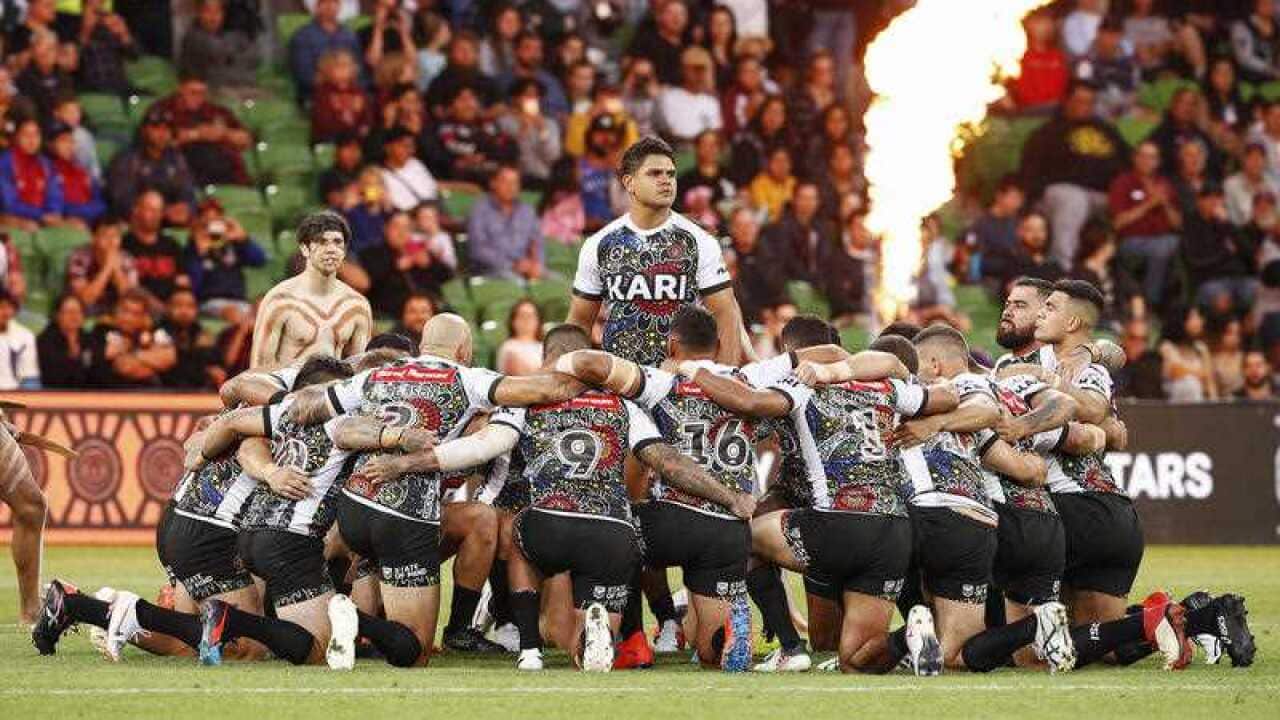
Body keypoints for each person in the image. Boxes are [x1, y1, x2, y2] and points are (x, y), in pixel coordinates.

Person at [371, 324, 755, 672]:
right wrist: (729, 497)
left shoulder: (526, 399)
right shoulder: (623, 405)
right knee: (590, 644)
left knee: (517, 531)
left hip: (549, 524)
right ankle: (628, 636)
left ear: (548, 357)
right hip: (612, 532)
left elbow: (485, 446)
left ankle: (528, 647)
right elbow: (667, 461)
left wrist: (409, 463)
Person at [567, 136, 746, 366]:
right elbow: (579, 323)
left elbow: (726, 315)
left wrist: (725, 375)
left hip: (684, 377)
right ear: (629, 182)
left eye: (670, 174)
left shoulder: (700, 241)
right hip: (622, 379)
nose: (666, 180)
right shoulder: (599, 244)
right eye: (654, 173)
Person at [1020, 82, 1128, 270]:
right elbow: (1030, 171)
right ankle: (1061, 269)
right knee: (1074, 199)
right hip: (1060, 193)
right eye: (1080, 101)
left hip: (1101, 195)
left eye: (1090, 102)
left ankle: (1113, 275)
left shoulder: (1106, 131)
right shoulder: (1048, 132)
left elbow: (1128, 161)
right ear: (1067, 101)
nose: (1085, 107)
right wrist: (1031, 202)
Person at [252, 211, 372, 369]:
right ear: (305, 249)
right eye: (322, 242)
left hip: (334, 384)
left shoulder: (358, 306)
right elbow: (258, 371)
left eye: (337, 242)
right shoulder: (279, 301)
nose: (331, 249)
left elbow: (359, 375)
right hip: (289, 384)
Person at [1107, 142, 1182, 309]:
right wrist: (1148, 204)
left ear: (1158, 161)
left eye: (1152, 157)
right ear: (1135, 158)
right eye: (1143, 156)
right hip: (1132, 241)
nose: (1148, 161)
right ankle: (1150, 304)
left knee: (1178, 245)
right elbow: (1117, 223)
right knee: (1161, 249)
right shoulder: (1123, 182)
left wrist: (1165, 203)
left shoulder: (1164, 184)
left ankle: (1183, 306)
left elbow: (1178, 224)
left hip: (1166, 239)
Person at [150, 73, 254, 186]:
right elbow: (153, 143)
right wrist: (197, 134)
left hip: (226, 171)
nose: (198, 97)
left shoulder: (215, 111)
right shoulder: (163, 109)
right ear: (181, 89)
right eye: (193, 92)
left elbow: (246, 140)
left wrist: (224, 134)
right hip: (182, 170)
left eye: (202, 93)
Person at [105, 107, 198, 225]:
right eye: (156, 128)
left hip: (171, 220)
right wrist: (159, 212)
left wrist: (186, 208)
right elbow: (122, 200)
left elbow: (188, 191)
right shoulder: (127, 159)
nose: (162, 133)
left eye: (167, 129)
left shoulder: (176, 158)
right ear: (144, 130)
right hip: (136, 222)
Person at [1183, 185, 1258, 319]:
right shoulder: (1191, 226)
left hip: (1239, 277)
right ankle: (1224, 330)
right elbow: (1195, 262)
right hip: (1210, 280)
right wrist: (1225, 253)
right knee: (1222, 300)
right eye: (1209, 198)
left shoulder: (1226, 224)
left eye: (1218, 197)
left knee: (1261, 293)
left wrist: (1228, 224)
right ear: (1199, 201)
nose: (1214, 202)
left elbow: (1249, 252)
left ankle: (1249, 331)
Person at [359, 211, 453, 317]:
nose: (402, 232)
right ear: (386, 229)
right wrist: (396, 267)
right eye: (396, 227)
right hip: (391, 313)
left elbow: (448, 276)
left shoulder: (418, 249)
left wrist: (430, 264)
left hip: (429, 310)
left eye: (407, 228)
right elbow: (370, 284)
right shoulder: (371, 253)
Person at [182, 208, 267, 323]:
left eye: (216, 220)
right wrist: (200, 254)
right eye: (207, 222)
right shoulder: (192, 250)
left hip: (239, 301)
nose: (212, 227)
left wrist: (243, 238)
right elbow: (194, 286)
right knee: (232, 312)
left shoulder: (232, 246)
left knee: (263, 307)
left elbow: (260, 260)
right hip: (210, 302)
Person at [423, 86, 516, 186]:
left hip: (493, 173)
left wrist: (484, 156)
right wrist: (457, 162)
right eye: (462, 99)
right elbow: (437, 157)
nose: (468, 105)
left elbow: (510, 148)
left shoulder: (488, 126)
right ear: (450, 106)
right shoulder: (437, 129)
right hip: (458, 180)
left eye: (472, 99)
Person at [85, 289, 177, 388]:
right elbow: (124, 367)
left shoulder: (155, 331)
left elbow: (169, 358)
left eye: (135, 314)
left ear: (144, 317)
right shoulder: (102, 330)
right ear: (116, 310)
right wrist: (151, 361)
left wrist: (133, 353)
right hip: (108, 392)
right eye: (124, 311)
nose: (128, 318)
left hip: (152, 392)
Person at [466, 165, 542, 281]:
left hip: (525, 268)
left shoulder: (527, 211)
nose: (511, 187)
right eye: (505, 181)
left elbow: (537, 242)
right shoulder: (480, 210)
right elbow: (478, 250)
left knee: (563, 285)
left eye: (515, 183)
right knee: (518, 283)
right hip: (490, 270)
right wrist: (512, 264)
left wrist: (537, 264)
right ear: (493, 183)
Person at [178, 0, 261, 94]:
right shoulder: (194, 36)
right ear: (199, 13)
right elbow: (217, 53)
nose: (213, 17)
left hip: (233, 87)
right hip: (206, 89)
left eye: (217, 12)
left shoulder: (229, 35)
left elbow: (253, 56)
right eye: (207, 11)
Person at [0, 119, 69, 231]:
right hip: (12, 219)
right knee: (30, 227)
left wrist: (53, 213)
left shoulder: (46, 164)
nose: (32, 140)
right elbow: (9, 204)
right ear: (16, 137)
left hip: (44, 219)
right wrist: (40, 215)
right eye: (26, 135)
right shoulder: (5, 163)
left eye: (36, 135)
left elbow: (55, 195)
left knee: (75, 230)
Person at [289, 0, 365, 102]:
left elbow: (359, 68)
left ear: (339, 7)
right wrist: (334, 82)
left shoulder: (350, 35)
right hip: (317, 93)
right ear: (316, 7)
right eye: (325, 3)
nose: (330, 6)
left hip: (350, 91)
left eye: (334, 2)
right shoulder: (302, 36)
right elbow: (304, 75)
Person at [123, 191, 189, 307]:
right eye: (150, 209)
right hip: (138, 305)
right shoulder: (124, 244)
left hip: (171, 306)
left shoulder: (172, 245)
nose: (155, 215)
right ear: (136, 210)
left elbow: (183, 281)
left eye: (158, 211)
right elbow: (127, 287)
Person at [497, 78, 562, 189]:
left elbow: (553, 157)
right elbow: (509, 154)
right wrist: (522, 130)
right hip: (516, 180)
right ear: (515, 98)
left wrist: (543, 131)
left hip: (543, 178)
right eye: (527, 95)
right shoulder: (504, 122)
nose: (532, 99)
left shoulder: (550, 124)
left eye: (536, 96)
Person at [1074, 16, 1140, 119]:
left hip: (1124, 111)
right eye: (1107, 33)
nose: (1111, 39)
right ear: (1098, 33)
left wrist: (1121, 110)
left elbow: (1134, 92)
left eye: (1116, 35)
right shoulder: (1085, 61)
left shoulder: (1130, 63)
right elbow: (1082, 93)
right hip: (1094, 112)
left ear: (1121, 36)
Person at [656, 46, 722, 147]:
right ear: (683, 70)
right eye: (695, 69)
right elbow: (668, 132)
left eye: (703, 70)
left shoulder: (711, 102)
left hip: (704, 149)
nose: (699, 74)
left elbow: (715, 133)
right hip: (677, 148)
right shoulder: (668, 97)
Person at [1008, 9, 1069, 114]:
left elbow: (1062, 87)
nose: (1046, 26)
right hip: (1026, 112)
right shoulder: (1017, 55)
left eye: (1049, 21)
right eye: (1040, 21)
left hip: (1055, 111)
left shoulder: (1058, 56)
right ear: (1029, 25)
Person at [77, 0, 140, 96]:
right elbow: (73, 63)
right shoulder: (74, 24)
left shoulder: (109, 21)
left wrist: (124, 33)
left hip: (120, 86)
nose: (99, 3)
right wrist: (86, 30)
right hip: (93, 90)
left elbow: (134, 56)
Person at [310, 49, 373, 144]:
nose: (343, 70)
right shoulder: (322, 93)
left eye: (347, 66)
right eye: (338, 67)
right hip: (330, 139)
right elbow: (324, 121)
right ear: (327, 70)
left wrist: (364, 127)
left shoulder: (359, 91)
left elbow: (367, 116)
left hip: (357, 137)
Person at [46, 122, 105, 224]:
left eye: (71, 141)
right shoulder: (46, 170)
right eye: (63, 141)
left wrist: (86, 213)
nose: (69, 146)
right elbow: (54, 205)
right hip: (63, 223)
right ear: (50, 145)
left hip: (89, 222)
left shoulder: (82, 171)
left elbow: (100, 203)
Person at [1160, 303, 1217, 401]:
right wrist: (1200, 374)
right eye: (1193, 317)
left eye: (1198, 317)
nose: (1199, 321)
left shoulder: (1201, 348)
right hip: (1175, 402)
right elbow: (1176, 371)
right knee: (1189, 383)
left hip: (1199, 402)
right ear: (1181, 321)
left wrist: (1214, 402)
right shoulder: (1167, 347)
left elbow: (1209, 381)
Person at [15, 31, 73, 124]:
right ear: (32, 51)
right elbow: (31, 110)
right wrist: (56, 113)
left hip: (67, 120)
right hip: (42, 124)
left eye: (52, 48)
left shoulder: (62, 74)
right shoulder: (24, 78)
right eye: (43, 47)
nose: (48, 52)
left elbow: (69, 98)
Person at [627, 0, 689, 86]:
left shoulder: (688, 46)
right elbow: (630, 64)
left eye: (681, 14)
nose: (676, 17)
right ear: (660, 17)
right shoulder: (647, 41)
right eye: (671, 13)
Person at [37, 294, 91, 388]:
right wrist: (71, 358)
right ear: (57, 315)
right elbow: (52, 377)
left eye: (78, 311)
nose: (74, 316)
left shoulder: (88, 338)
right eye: (69, 312)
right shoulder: (45, 341)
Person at [379, 126, 439, 212]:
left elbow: (433, 191)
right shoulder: (380, 175)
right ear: (388, 148)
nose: (410, 150)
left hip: (431, 211)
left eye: (411, 146)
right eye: (405, 146)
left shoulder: (416, 164)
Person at [1224, 144, 1277, 227]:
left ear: (1265, 161)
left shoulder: (1272, 184)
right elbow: (1231, 218)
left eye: (1259, 158)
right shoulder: (1231, 185)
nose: (1256, 163)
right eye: (1251, 158)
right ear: (1243, 160)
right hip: (1243, 230)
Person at [1115, 316, 1165, 400]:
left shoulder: (1153, 364)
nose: (1137, 344)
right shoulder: (1113, 365)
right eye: (1133, 338)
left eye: (1143, 339)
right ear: (1123, 339)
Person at [1231, 0, 1280, 84]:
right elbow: (1244, 59)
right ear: (1256, 5)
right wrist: (1270, 69)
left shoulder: (1276, 25)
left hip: (1274, 80)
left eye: (1271, 4)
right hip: (1249, 81)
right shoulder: (1242, 26)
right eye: (1265, 4)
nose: (1269, 7)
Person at [539, 156, 585, 244]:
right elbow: (578, 225)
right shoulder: (564, 200)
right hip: (555, 243)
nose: (581, 172)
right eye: (578, 169)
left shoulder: (575, 197)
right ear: (568, 173)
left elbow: (579, 225)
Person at [0, 289, 38, 390]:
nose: (4, 312)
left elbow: (30, 378)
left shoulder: (26, 336)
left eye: (7, 307)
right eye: (1, 307)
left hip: (15, 393)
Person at [748, 146, 797, 223]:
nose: (781, 165)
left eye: (785, 161)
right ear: (768, 163)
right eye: (777, 161)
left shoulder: (794, 183)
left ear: (790, 164)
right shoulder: (759, 183)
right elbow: (764, 212)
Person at [495, 300, 544, 377]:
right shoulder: (509, 348)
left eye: (531, 316)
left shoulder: (544, 346)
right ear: (513, 321)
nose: (526, 320)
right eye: (522, 316)